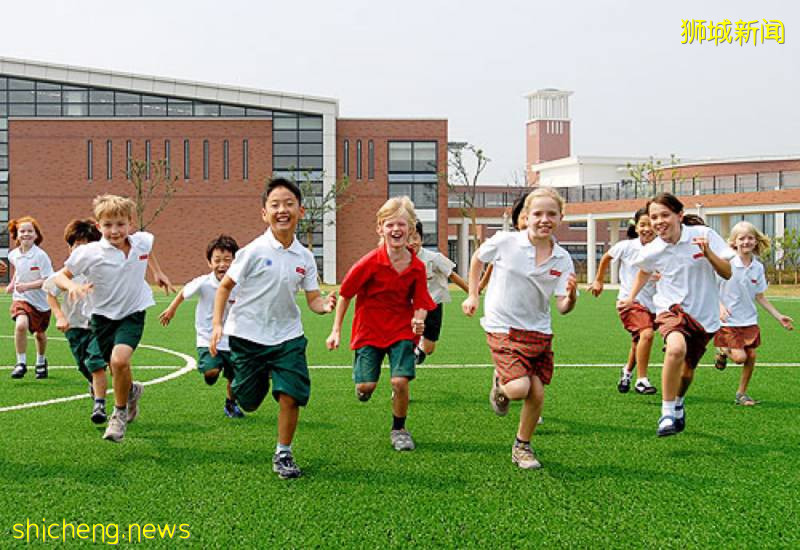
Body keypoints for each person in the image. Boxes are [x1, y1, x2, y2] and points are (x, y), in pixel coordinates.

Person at [210, 178, 336, 480]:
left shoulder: (305, 257)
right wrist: (217, 324)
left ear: (301, 211)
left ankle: (284, 452)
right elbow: (224, 287)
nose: (282, 210)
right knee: (249, 401)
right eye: (275, 205)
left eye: (289, 204)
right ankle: (254, 380)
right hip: (248, 336)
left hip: (287, 336)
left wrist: (324, 306)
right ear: (264, 213)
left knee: (291, 394)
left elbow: (313, 299)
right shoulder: (252, 251)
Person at [462, 188, 578, 470]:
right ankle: (502, 383)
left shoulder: (562, 259)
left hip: (538, 332)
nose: (544, 219)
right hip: (502, 326)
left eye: (551, 214)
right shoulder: (506, 242)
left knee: (536, 393)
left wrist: (571, 297)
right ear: (526, 217)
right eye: (537, 213)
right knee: (518, 388)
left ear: (560, 218)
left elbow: (562, 307)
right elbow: (478, 259)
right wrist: (473, 294)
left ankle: (522, 446)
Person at [53, 194, 174, 442]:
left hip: (133, 311)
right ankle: (131, 392)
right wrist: (71, 286)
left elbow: (148, 251)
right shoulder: (89, 253)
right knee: (115, 366)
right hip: (102, 317)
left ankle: (118, 416)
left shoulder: (142, 240)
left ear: (130, 223)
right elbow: (59, 276)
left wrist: (158, 272)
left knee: (119, 362)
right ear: (99, 227)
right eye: (107, 225)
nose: (114, 230)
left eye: (120, 224)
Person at [326, 196, 436, 453]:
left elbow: (421, 301)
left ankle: (399, 429)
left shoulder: (417, 267)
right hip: (369, 330)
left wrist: (419, 321)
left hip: (401, 331)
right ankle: (363, 386)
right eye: (390, 225)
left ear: (410, 229)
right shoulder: (368, 263)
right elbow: (345, 294)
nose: (396, 229)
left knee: (400, 382)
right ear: (380, 228)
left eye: (401, 224)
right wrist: (335, 330)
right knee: (366, 387)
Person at [621, 193, 734, 437]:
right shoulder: (653, 249)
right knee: (675, 349)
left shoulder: (703, 235)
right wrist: (631, 298)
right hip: (670, 308)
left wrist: (708, 254)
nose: (659, 221)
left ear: (679, 215)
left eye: (664, 215)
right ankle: (667, 413)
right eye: (653, 217)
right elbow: (643, 271)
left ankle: (678, 402)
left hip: (703, 316)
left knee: (686, 372)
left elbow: (727, 273)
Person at [160, 235, 245, 418]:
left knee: (234, 378)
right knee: (211, 372)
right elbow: (184, 292)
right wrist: (171, 310)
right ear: (209, 263)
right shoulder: (204, 282)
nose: (222, 265)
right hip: (207, 337)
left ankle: (231, 404)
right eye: (217, 260)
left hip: (234, 338)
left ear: (235, 262)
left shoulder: (241, 284)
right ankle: (213, 370)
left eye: (227, 260)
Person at [714, 221, 793, 405]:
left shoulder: (758, 267)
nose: (746, 241)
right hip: (729, 320)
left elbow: (760, 296)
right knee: (740, 358)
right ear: (734, 242)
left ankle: (741, 394)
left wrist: (778, 316)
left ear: (756, 241)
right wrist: (719, 307)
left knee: (751, 356)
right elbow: (711, 287)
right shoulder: (727, 263)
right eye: (742, 238)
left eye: (750, 238)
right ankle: (722, 349)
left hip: (748, 319)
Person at [44, 219, 109, 424]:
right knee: (84, 365)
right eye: (76, 245)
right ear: (69, 247)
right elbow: (50, 293)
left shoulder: (102, 270)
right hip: (74, 327)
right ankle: (130, 389)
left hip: (98, 326)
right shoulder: (64, 274)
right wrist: (60, 316)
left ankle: (99, 405)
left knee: (95, 362)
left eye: (86, 246)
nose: (81, 251)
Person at [589, 207, 658, 394]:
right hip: (629, 302)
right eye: (643, 224)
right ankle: (641, 380)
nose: (647, 229)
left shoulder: (662, 248)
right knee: (647, 334)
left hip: (654, 305)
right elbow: (606, 257)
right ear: (636, 227)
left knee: (639, 341)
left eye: (651, 224)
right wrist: (598, 280)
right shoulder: (627, 246)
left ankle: (627, 372)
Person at [408, 220, 469, 364]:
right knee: (406, 338)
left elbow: (452, 275)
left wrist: (471, 292)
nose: (412, 242)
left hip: (433, 304)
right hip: (412, 307)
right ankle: (409, 350)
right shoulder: (401, 260)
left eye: (415, 237)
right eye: (407, 238)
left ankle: (421, 347)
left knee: (429, 348)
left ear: (421, 239)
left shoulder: (433, 258)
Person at [7, 216, 53, 380]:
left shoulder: (41, 256)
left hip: (40, 302)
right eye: (22, 231)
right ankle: (21, 363)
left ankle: (41, 361)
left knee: (39, 335)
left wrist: (27, 286)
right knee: (21, 325)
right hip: (21, 298)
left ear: (36, 235)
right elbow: (19, 271)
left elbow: (48, 280)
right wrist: (13, 284)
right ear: (17, 234)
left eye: (29, 231)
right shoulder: (13, 255)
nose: (26, 234)